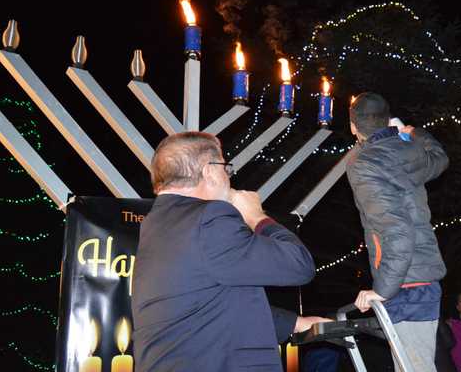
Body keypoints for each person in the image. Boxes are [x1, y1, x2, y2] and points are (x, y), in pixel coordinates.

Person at [132, 131, 324, 372]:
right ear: (210, 171)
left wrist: (295, 323)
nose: (229, 176)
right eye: (226, 168)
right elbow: (298, 264)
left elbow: (207, 302)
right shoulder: (209, 218)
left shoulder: (157, 224)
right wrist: (256, 216)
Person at [346, 92, 449, 372]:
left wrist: (382, 290)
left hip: (404, 285)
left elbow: (398, 232)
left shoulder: (365, 165)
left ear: (353, 127)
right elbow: (439, 158)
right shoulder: (411, 148)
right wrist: (413, 131)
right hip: (422, 278)